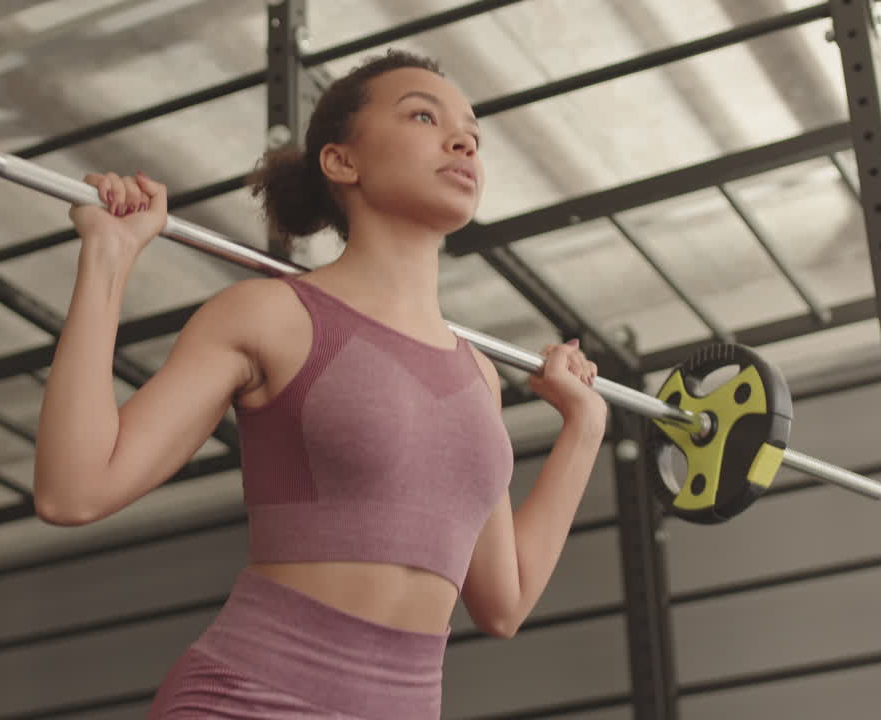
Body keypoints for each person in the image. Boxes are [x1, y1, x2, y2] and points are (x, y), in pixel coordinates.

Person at [33, 49, 609, 719]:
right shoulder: (270, 315)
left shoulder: (479, 375)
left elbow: (503, 603)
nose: (462, 141)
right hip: (250, 700)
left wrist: (585, 428)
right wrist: (108, 255)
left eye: (472, 135)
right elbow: (73, 490)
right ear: (341, 162)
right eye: (424, 115)